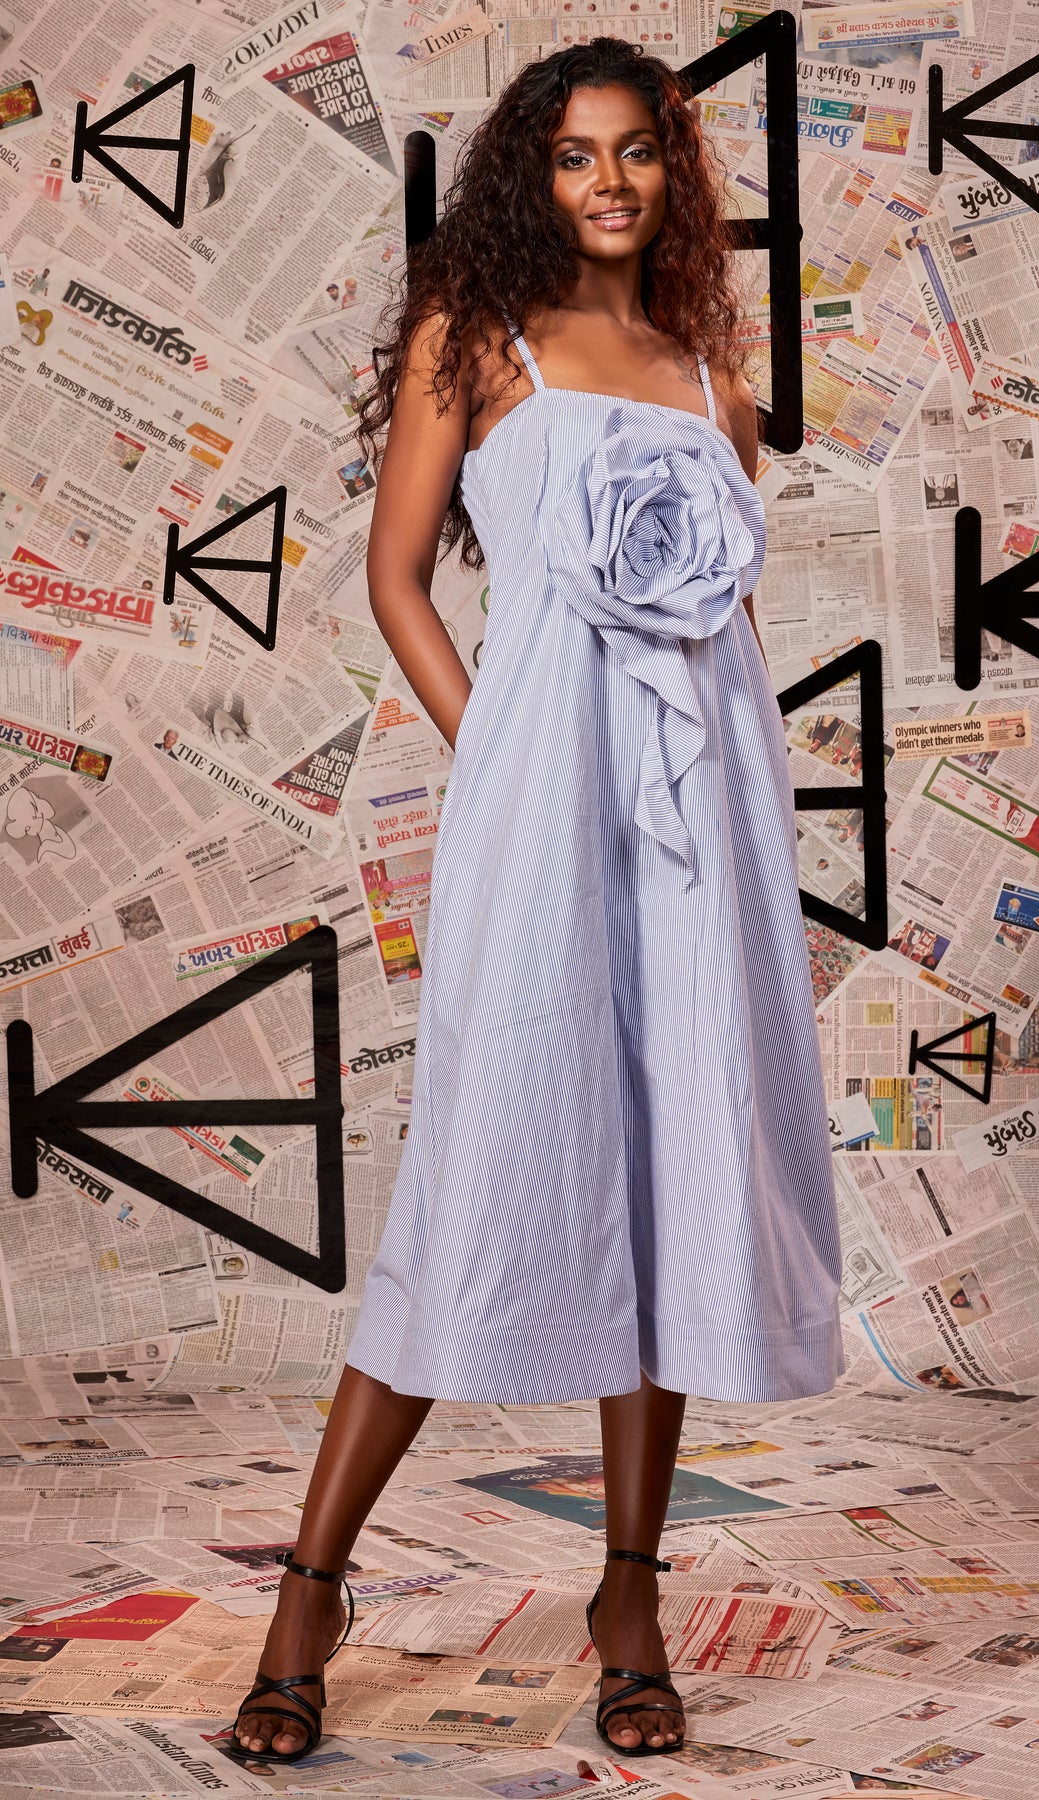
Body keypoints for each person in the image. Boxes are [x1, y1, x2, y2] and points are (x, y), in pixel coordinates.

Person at [228, 36, 843, 1770]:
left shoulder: (713, 377)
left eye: (637, 151)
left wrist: (737, 811)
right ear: (533, 174)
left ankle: (628, 1601)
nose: (610, 183)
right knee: (481, 1178)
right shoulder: (474, 334)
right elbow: (396, 578)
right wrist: (498, 752)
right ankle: (308, 1595)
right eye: (575, 156)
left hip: (703, 819)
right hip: (539, 813)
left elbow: (719, 626)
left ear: (673, 174)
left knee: (675, 1182)